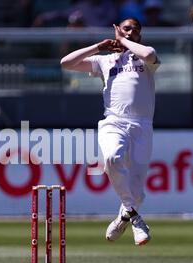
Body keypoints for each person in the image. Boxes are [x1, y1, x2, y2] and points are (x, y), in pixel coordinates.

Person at [60, 17, 159, 245]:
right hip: (114, 121)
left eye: (135, 30)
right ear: (117, 30)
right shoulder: (105, 61)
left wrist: (123, 40)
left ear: (139, 36)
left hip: (142, 126)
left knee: (137, 191)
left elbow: (150, 54)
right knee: (113, 158)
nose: (130, 31)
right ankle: (135, 218)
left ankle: (125, 215)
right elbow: (66, 63)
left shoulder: (145, 59)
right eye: (126, 28)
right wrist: (99, 47)